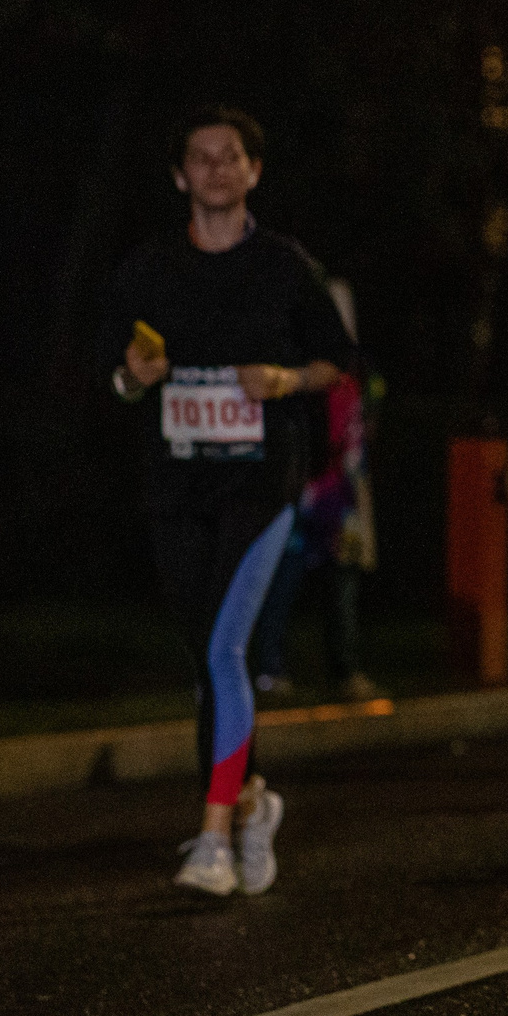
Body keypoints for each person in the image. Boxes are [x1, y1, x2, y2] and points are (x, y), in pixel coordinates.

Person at [104, 107, 354, 897]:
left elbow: (339, 361)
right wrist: (133, 377)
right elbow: (112, 377)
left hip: (260, 481)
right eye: (201, 156)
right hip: (177, 486)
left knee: (223, 652)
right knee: (208, 664)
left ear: (254, 171)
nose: (216, 167)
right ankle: (251, 800)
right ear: (179, 175)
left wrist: (285, 379)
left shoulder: (284, 265)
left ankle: (212, 839)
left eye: (231, 155)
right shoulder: (147, 268)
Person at [251, 276, 382, 703]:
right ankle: (270, 667)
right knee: (284, 575)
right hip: (303, 491)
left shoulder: (358, 375)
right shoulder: (302, 370)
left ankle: (344, 668)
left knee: (341, 580)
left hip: (342, 495)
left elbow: (363, 426)